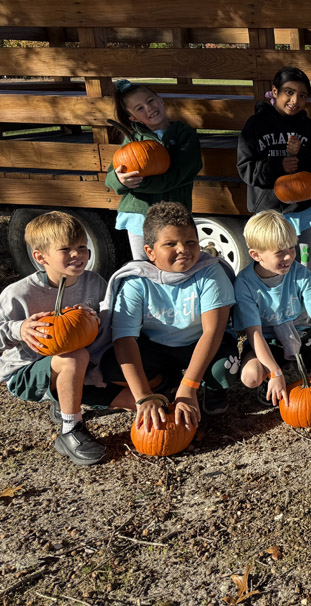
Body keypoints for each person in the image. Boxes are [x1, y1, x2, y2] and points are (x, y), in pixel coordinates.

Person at [100, 202, 239, 428]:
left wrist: (189, 387)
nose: (183, 249)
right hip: (157, 346)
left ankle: (211, 387)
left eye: (190, 242)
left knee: (225, 368)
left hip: (200, 341)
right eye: (170, 244)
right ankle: (165, 381)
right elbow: (125, 340)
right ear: (150, 252)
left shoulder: (211, 272)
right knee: (111, 367)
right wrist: (142, 396)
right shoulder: (136, 281)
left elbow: (212, 332)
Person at [0, 212, 111, 465]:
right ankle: (70, 430)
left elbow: (108, 328)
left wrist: (94, 321)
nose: (77, 254)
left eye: (82, 247)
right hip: (26, 371)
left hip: (84, 363)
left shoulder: (94, 283)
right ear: (40, 257)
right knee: (73, 357)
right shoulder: (19, 294)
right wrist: (19, 329)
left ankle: (63, 398)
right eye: (65, 249)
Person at [233, 210, 311, 408]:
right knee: (251, 376)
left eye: (292, 248)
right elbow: (254, 332)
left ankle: (310, 365)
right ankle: (270, 376)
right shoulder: (244, 283)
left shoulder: (300, 273)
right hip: (268, 339)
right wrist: (275, 372)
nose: (289, 256)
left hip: (301, 333)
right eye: (280, 252)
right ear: (256, 255)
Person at [105, 80, 203, 260]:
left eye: (150, 101)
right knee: (143, 266)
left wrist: (138, 185)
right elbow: (111, 175)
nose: (148, 108)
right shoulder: (133, 139)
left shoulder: (183, 134)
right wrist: (120, 180)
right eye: (139, 108)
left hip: (173, 216)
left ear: (160, 100)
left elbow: (180, 174)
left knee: (176, 263)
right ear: (132, 117)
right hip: (139, 216)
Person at [237, 67, 311, 273]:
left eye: (302, 96)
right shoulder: (256, 125)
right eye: (289, 92)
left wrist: (300, 155)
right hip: (269, 211)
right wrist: (278, 165)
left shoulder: (307, 126)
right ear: (275, 92)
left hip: (302, 212)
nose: (295, 100)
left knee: (305, 265)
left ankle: (304, 296)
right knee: (273, 267)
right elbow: (246, 168)